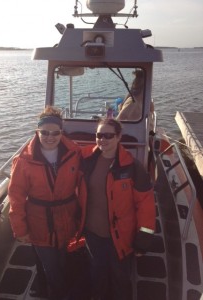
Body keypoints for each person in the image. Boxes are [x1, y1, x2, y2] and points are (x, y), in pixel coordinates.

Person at [77, 118, 156, 300]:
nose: (102, 139)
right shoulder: (86, 159)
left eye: (108, 135)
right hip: (92, 234)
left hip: (120, 237)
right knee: (97, 274)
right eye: (99, 135)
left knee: (120, 277)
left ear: (119, 137)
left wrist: (143, 239)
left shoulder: (133, 167)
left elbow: (145, 204)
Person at [8, 106, 81, 300]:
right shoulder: (23, 161)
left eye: (55, 132)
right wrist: (21, 229)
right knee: (51, 268)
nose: (50, 136)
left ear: (61, 132)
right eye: (45, 132)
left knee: (65, 260)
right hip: (40, 222)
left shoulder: (74, 153)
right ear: (37, 132)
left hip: (67, 219)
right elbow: (16, 196)